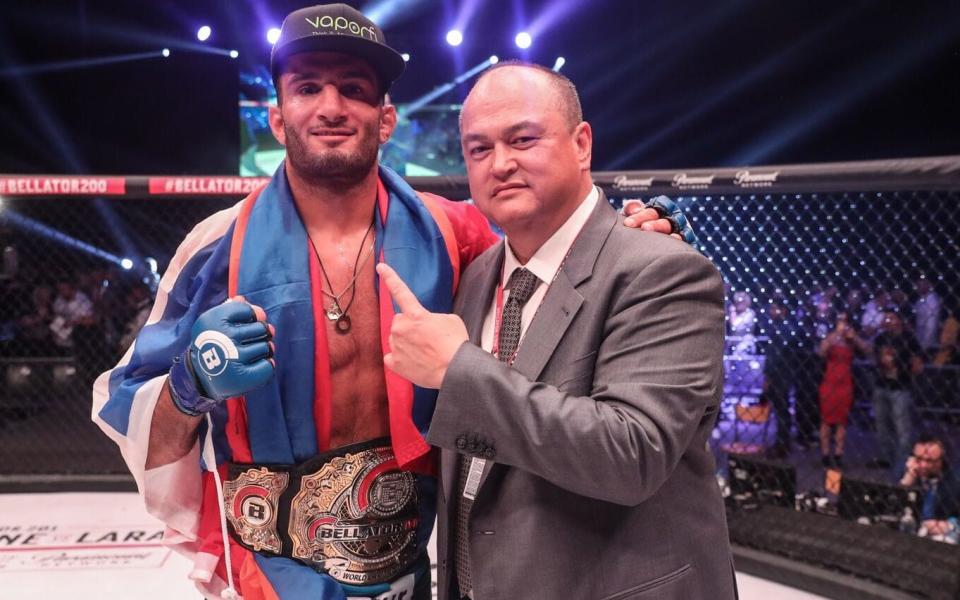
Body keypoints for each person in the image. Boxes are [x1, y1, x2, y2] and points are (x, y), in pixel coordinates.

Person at [90, 6, 680, 599]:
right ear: (276, 117)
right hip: (267, 573)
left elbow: (560, 271)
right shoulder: (217, 246)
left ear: (387, 118)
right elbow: (137, 418)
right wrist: (189, 385)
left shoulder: (456, 234)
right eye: (307, 88)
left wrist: (634, 232)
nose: (330, 107)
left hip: (413, 563)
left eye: (353, 89)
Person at [378, 62, 736, 600]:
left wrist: (457, 370)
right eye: (478, 149)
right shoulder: (476, 277)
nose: (501, 163)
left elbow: (632, 452)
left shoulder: (662, 270)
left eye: (523, 139)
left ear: (581, 143)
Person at [869, 309, 924, 475]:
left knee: (902, 428)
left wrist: (907, 370)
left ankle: (903, 462)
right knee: (882, 425)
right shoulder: (880, 338)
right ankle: (887, 458)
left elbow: (918, 364)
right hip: (881, 385)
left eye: (891, 318)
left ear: (899, 320)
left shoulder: (909, 338)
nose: (887, 321)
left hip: (901, 386)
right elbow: (873, 356)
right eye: (885, 318)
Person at [817, 312, 868, 469]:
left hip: (845, 383)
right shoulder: (831, 338)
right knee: (826, 420)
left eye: (845, 322)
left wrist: (855, 338)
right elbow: (820, 352)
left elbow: (867, 350)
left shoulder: (851, 340)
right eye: (840, 321)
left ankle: (839, 454)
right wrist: (834, 337)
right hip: (829, 382)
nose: (843, 325)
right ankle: (825, 454)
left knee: (841, 421)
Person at [899, 434, 959, 542]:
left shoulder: (955, 480)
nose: (923, 465)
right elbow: (894, 504)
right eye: (919, 459)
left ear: (942, 460)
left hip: (945, 531)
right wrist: (909, 477)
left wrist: (950, 525)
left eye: (929, 461)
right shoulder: (907, 469)